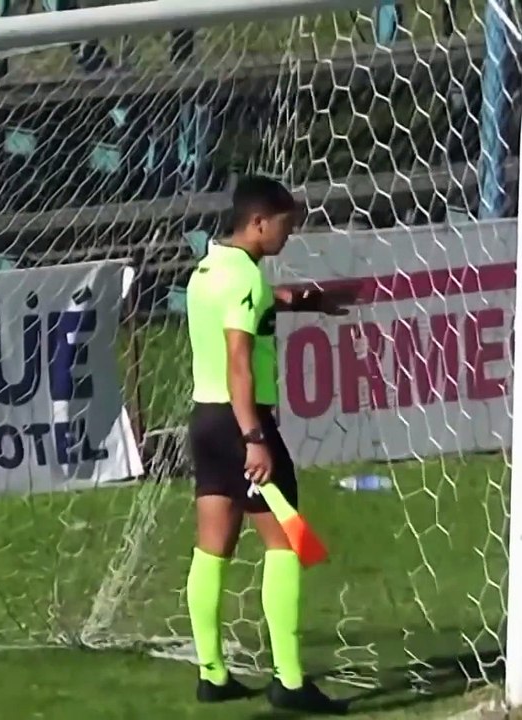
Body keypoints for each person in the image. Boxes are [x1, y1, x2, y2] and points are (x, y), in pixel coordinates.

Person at [182, 175, 354, 714]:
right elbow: (239, 360)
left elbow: (248, 311)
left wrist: (303, 303)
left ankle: (212, 673)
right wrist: (255, 438)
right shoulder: (246, 279)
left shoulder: (208, 270)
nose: (289, 235)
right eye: (286, 225)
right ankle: (290, 680)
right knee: (287, 543)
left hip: (205, 421)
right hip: (241, 424)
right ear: (259, 222)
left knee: (212, 547)